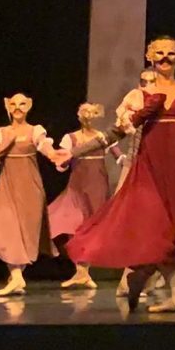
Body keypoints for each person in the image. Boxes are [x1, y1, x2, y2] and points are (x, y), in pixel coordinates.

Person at [65, 36, 175, 313]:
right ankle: (144, 274)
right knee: (154, 226)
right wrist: (74, 152)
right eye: (159, 53)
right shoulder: (138, 96)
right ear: (150, 57)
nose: (164, 58)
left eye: (170, 54)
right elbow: (115, 133)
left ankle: (164, 288)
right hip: (149, 169)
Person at [0, 93, 67, 296]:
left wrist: (55, 155)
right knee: (8, 229)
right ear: (8, 107)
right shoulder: (0, 133)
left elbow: (45, 147)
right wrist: (3, 146)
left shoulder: (35, 131)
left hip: (31, 189)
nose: (18, 107)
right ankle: (17, 277)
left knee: (25, 234)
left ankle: (16, 276)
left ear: (29, 106)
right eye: (14, 104)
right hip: (8, 188)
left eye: (22, 104)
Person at [48, 102, 112, 290]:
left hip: (97, 185)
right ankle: (81, 271)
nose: (88, 117)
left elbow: (118, 155)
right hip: (77, 186)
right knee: (74, 224)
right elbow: (62, 163)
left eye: (92, 113)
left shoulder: (101, 137)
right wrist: (61, 160)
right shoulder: (70, 138)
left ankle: (83, 272)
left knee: (92, 225)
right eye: (85, 113)